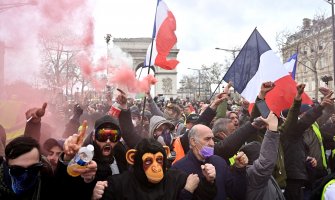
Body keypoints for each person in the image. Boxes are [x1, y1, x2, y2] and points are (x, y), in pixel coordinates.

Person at [92, 138, 217, 200]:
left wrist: (208, 181)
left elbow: (205, 197)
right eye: (148, 161)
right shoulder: (118, 184)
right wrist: (93, 194)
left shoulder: (176, 178)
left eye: (159, 160)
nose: (156, 167)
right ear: (133, 158)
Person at [172, 124, 247, 200]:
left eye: (212, 139)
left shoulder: (219, 162)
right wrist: (187, 191)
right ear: (193, 141)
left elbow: (236, 194)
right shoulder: (178, 169)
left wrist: (239, 170)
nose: (212, 143)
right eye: (207, 139)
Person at [239, 112, 285, 200]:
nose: (265, 153)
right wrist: (272, 130)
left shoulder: (261, 176)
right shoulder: (254, 176)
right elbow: (265, 163)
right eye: (262, 154)